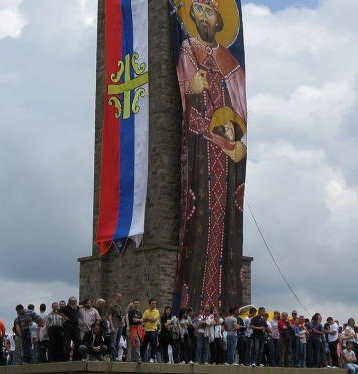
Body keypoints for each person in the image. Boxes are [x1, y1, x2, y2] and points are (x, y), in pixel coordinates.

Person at [173, 0, 248, 312]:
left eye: (210, 11)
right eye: (199, 10)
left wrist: (234, 135)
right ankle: (195, 304)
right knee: (199, 214)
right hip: (200, 151)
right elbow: (186, 93)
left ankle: (224, 301)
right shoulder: (188, 50)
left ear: (220, 20)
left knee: (224, 219)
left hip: (225, 157)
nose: (203, 17)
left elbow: (239, 110)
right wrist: (190, 88)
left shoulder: (230, 62)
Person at [140, 299, 159, 363]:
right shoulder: (146, 311)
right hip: (146, 330)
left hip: (153, 330)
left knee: (153, 345)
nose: (154, 305)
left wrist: (147, 318)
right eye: (153, 303)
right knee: (144, 345)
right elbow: (143, 319)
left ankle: (152, 358)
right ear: (150, 304)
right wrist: (148, 319)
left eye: (155, 303)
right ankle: (141, 357)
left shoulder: (156, 311)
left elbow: (154, 319)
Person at [106, 293, 124, 362]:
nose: (120, 298)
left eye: (120, 297)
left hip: (119, 325)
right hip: (115, 325)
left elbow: (120, 316)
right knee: (113, 342)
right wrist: (112, 326)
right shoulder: (111, 306)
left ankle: (116, 356)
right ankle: (114, 355)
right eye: (119, 297)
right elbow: (109, 317)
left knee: (117, 342)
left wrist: (122, 322)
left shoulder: (119, 306)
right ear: (115, 297)